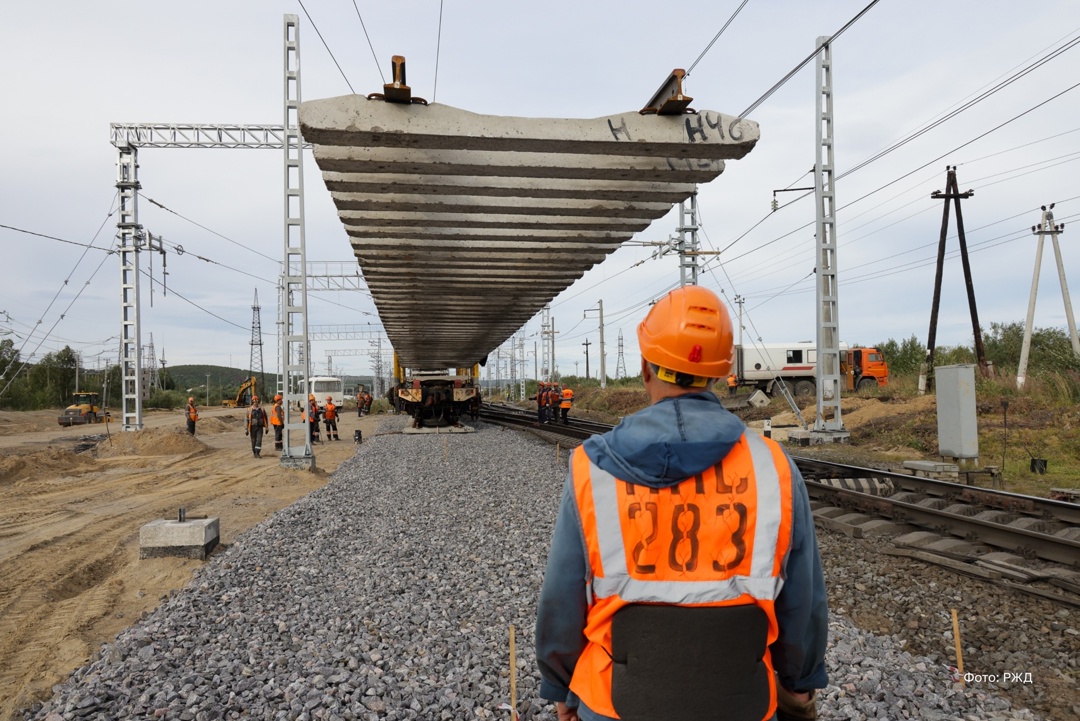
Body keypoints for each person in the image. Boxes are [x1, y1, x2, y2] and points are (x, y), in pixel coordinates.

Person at [535, 285, 828, 721]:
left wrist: (560, 687)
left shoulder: (590, 468)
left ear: (644, 367)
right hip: (741, 703)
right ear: (720, 372)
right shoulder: (774, 467)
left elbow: (562, 597)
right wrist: (799, 684)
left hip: (614, 703)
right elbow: (802, 600)